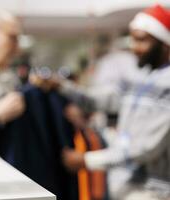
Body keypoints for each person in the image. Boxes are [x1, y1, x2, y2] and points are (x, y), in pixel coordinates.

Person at [62, 4, 170, 199]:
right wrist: (62, 87)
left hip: (151, 191)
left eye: (142, 40)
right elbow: (105, 101)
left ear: (164, 43)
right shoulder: (144, 76)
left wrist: (87, 160)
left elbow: (146, 148)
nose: (134, 47)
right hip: (123, 184)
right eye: (133, 39)